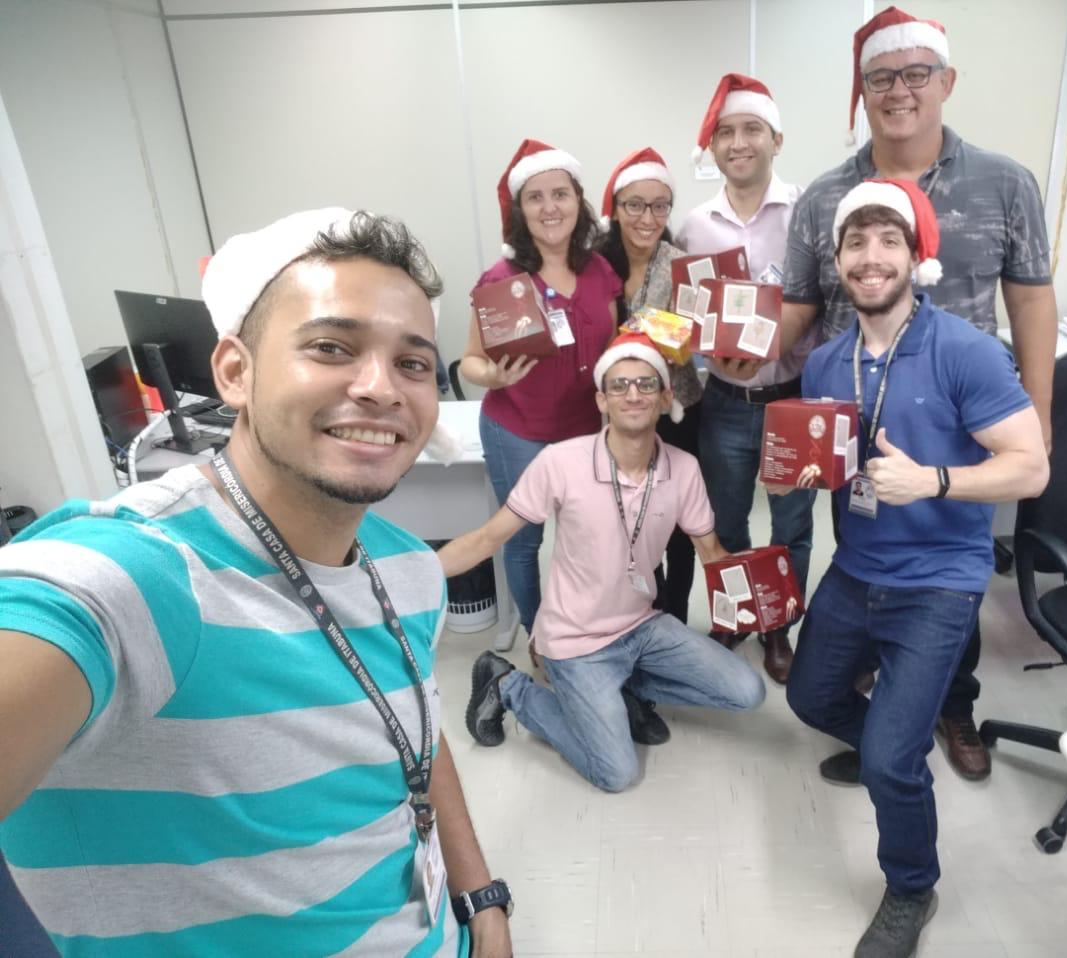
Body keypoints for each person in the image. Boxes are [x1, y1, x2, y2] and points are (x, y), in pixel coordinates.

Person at [0, 209, 512, 956]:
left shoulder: (409, 572)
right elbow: (56, 612)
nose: (381, 388)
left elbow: (416, 734)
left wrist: (482, 901)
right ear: (235, 372)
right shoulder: (140, 579)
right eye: (332, 347)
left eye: (411, 362)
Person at [778, 6, 1059, 779]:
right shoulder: (825, 195)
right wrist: (738, 351)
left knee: (947, 568)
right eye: (880, 78)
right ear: (862, 90)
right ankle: (886, 723)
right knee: (866, 553)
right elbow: (800, 306)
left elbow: (1032, 300)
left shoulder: (1004, 182)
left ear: (946, 81)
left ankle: (949, 707)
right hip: (859, 407)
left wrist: (1039, 417)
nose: (898, 91)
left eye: (915, 74)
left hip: (963, 415)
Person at [783, 180, 1048, 957]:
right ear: (838, 261)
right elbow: (838, 463)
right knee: (808, 696)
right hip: (857, 566)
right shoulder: (825, 363)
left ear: (916, 256)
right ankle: (888, 750)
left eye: (888, 241)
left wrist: (933, 480)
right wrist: (803, 471)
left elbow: (1030, 468)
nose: (871, 258)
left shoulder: (967, 351)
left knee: (894, 758)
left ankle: (911, 886)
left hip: (939, 578)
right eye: (855, 242)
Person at [441, 332, 766, 793]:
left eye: (646, 384)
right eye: (619, 385)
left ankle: (620, 689)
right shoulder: (560, 462)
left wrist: (765, 595)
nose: (633, 394)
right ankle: (509, 687)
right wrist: (414, 573)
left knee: (748, 692)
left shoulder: (684, 468)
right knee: (616, 773)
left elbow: (712, 553)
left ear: (666, 397)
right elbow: (489, 538)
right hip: (575, 641)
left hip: (642, 626)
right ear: (602, 399)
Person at [677, 72, 816, 685]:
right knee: (726, 522)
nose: (738, 143)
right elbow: (688, 315)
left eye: (752, 129)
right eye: (726, 132)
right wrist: (703, 350)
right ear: (712, 146)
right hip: (727, 401)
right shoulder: (694, 226)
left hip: (795, 399)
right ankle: (738, 614)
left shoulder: (807, 212)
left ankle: (778, 625)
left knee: (793, 526)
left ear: (776, 139)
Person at [460, 139, 621, 648]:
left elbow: (614, 349)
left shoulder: (599, 271)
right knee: (523, 541)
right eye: (535, 197)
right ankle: (539, 638)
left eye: (560, 194)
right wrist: (493, 377)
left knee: (586, 538)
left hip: (584, 430)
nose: (550, 208)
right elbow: (470, 360)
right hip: (517, 429)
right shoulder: (501, 279)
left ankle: (585, 630)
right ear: (520, 210)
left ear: (578, 203)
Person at [596, 147, 701, 625]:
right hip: (616, 413)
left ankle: (675, 617)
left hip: (677, 408)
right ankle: (641, 614)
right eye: (635, 205)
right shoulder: (593, 266)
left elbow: (701, 337)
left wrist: (677, 337)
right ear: (616, 209)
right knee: (629, 515)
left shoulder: (684, 267)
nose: (648, 217)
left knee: (677, 518)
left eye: (660, 206)